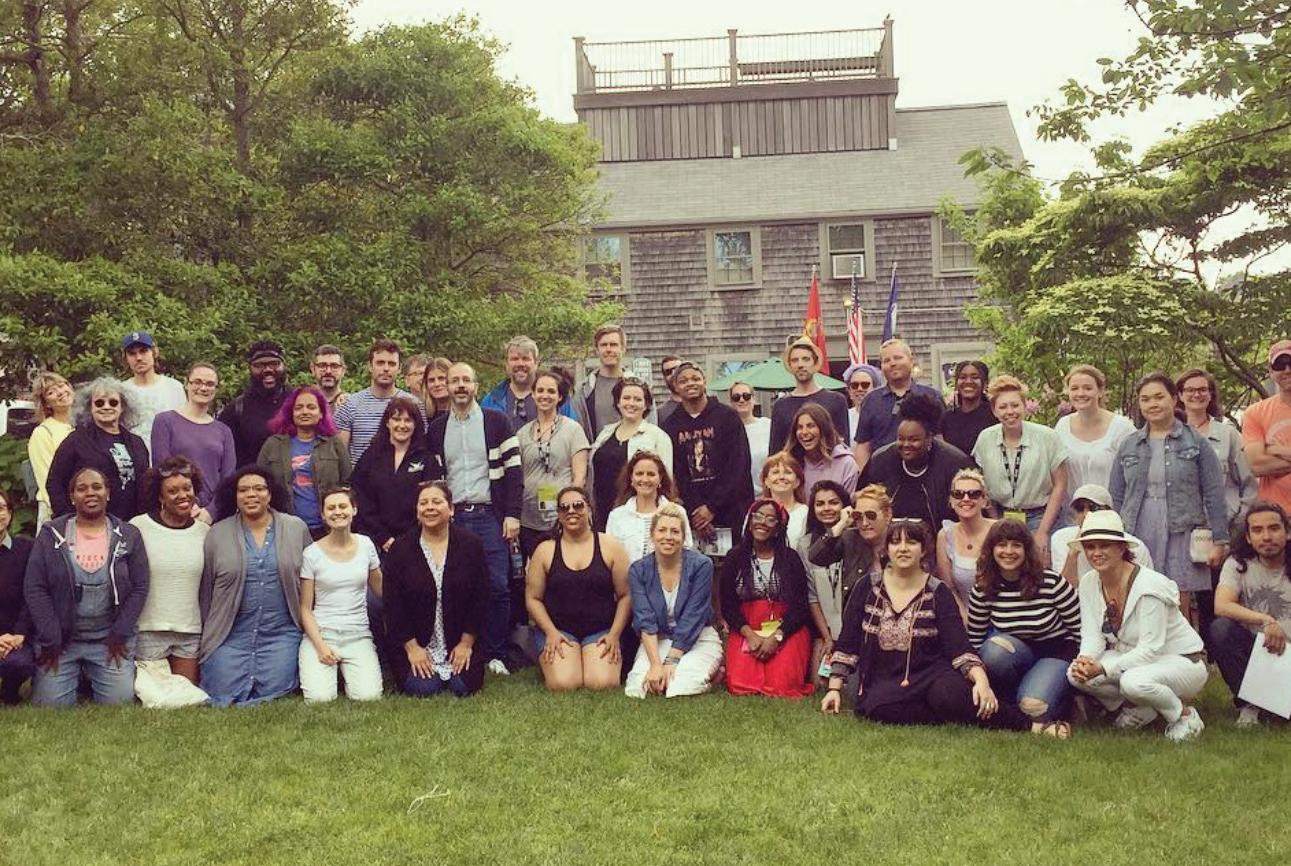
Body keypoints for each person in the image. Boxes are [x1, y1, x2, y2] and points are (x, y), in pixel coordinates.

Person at [821, 519, 1050, 734]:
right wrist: (834, 689)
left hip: (930, 674)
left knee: (950, 696)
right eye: (896, 542)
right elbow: (848, 642)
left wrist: (981, 681)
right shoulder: (867, 587)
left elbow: (958, 646)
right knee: (878, 708)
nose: (903, 548)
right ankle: (950, 712)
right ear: (886, 549)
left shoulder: (938, 591)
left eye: (911, 542)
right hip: (883, 679)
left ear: (923, 550)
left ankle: (1029, 725)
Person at [1067, 510, 1208, 741]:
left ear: (1121, 548)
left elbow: (1150, 649)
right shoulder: (1089, 582)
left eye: (1104, 545)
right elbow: (1092, 635)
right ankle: (1141, 709)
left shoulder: (1150, 586)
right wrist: (1085, 661)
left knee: (1133, 682)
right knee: (1075, 675)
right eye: (1090, 547)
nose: (1096, 553)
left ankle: (1184, 716)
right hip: (1134, 658)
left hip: (1182, 661)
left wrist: (1103, 668)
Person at [425, 362, 521, 674]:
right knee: (454, 586)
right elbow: (435, 477)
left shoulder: (497, 422)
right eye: (455, 381)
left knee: (498, 585)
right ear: (447, 387)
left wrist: (512, 515)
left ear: (476, 386)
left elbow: (514, 472)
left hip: (489, 515)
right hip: (451, 519)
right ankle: (459, 649)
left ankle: (495, 654)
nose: (461, 386)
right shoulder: (437, 429)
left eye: (466, 380)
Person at [1111, 372, 1229, 624]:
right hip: (1138, 527)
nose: (1152, 404)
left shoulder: (1196, 442)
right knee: (1139, 590)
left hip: (1181, 527)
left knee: (1178, 595)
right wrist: (1114, 536)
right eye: (1145, 399)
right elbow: (1117, 495)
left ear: (1174, 399)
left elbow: (1214, 493)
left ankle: (1181, 645)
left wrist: (1220, 540)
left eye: (1159, 397)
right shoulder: (1129, 444)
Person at [25, 467, 149, 706]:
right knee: (50, 706)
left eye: (97, 487)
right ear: (72, 497)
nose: (90, 493)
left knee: (117, 703)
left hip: (109, 639)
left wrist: (120, 632)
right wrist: (51, 637)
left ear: (108, 493)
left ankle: (91, 675)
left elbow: (140, 587)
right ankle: (75, 675)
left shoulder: (129, 535)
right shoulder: (51, 535)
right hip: (62, 641)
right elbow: (35, 587)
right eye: (81, 489)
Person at [198, 466, 309, 707]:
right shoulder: (217, 534)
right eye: (243, 490)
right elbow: (206, 590)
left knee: (279, 686)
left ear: (270, 494)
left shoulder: (295, 528)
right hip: (230, 634)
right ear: (234, 496)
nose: (251, 494)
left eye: (259, 488)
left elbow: (310, 582)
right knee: (220, 686)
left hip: (281, 633)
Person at [966, 520, 1081, 735]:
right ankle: (1013, 694)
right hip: (1014, 653)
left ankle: (1065, 698)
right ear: (991, 550)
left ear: (1026, 550)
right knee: (994, 651)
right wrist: (977, 680)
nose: (1008, 551)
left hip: (1056, 653)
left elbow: (1080, 628)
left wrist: (1083, 671)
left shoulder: (1051, 582)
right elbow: (975, 638)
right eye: (1002, 544)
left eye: (1016, 545)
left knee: (1033, 707)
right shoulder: (983, 588)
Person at [382, 481, 488, 697]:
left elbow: (481, 598)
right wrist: (412, 648)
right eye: (423, 503)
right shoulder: (400, 549)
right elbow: (393, 606)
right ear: (417, 511)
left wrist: (466, 643)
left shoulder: (471, 545)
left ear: (451, 509)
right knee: (424, 688)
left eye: (436, 502)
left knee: (462, 686)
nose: (429, 507)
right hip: (415, 643)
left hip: (459, 640)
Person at [525, 487, 631, 691]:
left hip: (601, 630)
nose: (571, 511)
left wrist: (614, 634)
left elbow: (626, 595)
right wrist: (550, 632)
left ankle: (587, 659)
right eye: (564, 507)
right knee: (564, 683)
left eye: (578, 505)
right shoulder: (545, 550)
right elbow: (533, 598)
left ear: (589, 509)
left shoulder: (611, 546)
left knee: (602, 683)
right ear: (558, 514)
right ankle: (567, 659)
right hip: (559, 630)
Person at [624, 503, 723, 698]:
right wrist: (655, 665)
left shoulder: (701, 565)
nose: (668, 537)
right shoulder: (638, 570)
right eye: (662, 530)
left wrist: (671, 660)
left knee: (678, 687)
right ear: (652, 535)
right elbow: (645, 619)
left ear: (684, 537)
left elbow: (693, 616)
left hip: (697, 637)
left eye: (675, 531)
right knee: (638, 688)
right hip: (658, 639)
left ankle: (713, 677)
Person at [719, 499, 814, 698]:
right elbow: (728, 606)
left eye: (771, 519)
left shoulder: (791, 559)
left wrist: (777, 636)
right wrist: (749, 634)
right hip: (746, 628)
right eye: (758, 516)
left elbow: (800, 608)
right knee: (740, 685)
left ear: (778, 528)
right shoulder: (735, 557)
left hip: (786, 629)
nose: (762, 522)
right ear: (749, 522)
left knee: (783, 685)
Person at [297, 487, 383, 702]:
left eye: (343, 506)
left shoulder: (366, 545)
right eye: (331, 508)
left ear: (354, 510)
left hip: (358, 635)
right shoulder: (311, 553)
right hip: (322, 634)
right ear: (323, 515)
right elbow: (305, 609)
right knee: (319, 699)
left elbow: (382, 591)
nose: (337, 512)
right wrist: (320, 647)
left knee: (368, 697)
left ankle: (350, 674)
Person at [129, 458, 209, 685]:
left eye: (187, 488)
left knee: (186, 696)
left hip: (190, 629)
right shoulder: (138, 527)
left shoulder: (205, 532)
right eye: (172, 491)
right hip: (149, 629)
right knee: (155, 697)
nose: (182, 495)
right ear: (160, 497)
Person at [1211, 502, 1291, 727]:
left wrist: (1281, 632)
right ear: (1248, 537)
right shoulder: (1237, 564)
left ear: (1287, 532)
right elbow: (1222, 605)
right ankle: (1249, 704)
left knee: (1282, 715)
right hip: (1255, 651)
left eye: (1274, 528)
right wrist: (1266, 621)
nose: (1266, 537)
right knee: (1221, 629)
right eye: (1257, 530)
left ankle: (1275, 703)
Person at [973, 375, 1069, 559]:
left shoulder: (1047, 437)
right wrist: (994, 522)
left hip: (1040, 517)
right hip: (1001, 516)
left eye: (1015, 405)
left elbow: (1060, 485)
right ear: (994, 410)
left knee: (1039, 566)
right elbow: (983, 484)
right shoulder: (985, 439)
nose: (1010, 411)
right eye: (1003, 407)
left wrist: (1042, 532)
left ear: (1024, 405)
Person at [662, 362, 753, 547]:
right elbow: (678, 473)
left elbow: (738, 465)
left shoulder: (727, 417)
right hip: (694, 516)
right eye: (683, 381)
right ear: (675, 387)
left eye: (695, 378)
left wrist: (712, 507)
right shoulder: (670, 425)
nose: (690, 383)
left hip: (731, 509)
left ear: (704, 381)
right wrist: (697, 511)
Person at [860, 392, 973, 531]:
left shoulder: (955, 463)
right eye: (901, 438)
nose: (906, 444)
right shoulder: (880, 460)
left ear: (929, 438)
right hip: (890, 538)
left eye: (914, 439)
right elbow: (862, 499)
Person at [257, 386, 352, 540]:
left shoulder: (334, 443)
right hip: (285, 529)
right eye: (299, 408)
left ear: (321, 413)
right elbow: (259, 484)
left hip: (327, 528)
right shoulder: (273, 444)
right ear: (291, 413)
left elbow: (347, 482)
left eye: (311, 407)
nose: (305, 412)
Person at [48, 378, 150, 521]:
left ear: (122, 407)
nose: (106, 407)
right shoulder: (76, 440)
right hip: (90, 523)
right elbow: (55, 482)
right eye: (99, 403)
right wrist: (69, 519)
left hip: (132, 523)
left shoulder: (136, 443)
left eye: (113, 402)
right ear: (90, 408)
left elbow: (146, 484)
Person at [151, 361, 236, 523]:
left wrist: (211, 511)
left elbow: (228, 478)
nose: (203, 388)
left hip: (212, 516)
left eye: (210, 384)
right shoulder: (165, 421)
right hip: (176, 509)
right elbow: (162, 468)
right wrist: (188, 505)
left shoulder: (224, 431)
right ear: (186, 384)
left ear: (216, 389)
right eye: (197, 382)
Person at [516, 370, 590, 557]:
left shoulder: (573, 430)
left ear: (559, 397)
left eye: (551, 391)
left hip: (563, 516)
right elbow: (517, 475)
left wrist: (570, 508)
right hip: (529, 518)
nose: (545, 396)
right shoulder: (522, 434)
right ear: (533, 394)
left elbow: (580, 476)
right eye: (540, 390)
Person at [588, 377, 672, 532]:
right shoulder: (605, 434)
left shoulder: (657, 437)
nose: (631, 403)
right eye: (626, 398)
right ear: (618, 402)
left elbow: (667, 481)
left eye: (637, 399)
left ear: (646, 405)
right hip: (601, 511)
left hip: (637, 515)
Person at [351, 397, 431, 555]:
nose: (402, 425)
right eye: (396, 419)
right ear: (387, 423)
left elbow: (430, 499)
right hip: (375, 542)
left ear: (415, 424)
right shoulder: (370, 456)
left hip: (416, 543)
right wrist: (383, 538)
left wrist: (408, 540)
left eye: (408, 420)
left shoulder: (426, 458)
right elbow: (360, 498)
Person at [1053, 365, 1135, 515]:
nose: (1080, 393)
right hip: (1073, 516)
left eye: (1087, 388)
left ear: (1100, 391)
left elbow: (1134, 478)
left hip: (1112, 516)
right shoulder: (1062, 426)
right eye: (1074, 388)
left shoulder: (1122, 427)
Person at [852, 339, 942, 472]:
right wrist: (864, 477)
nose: (892, 363)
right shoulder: (871, 400)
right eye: (886, 360)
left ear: (911, 360)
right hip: (883, 474)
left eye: (898, 358)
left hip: (925, 473)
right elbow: (863, 446)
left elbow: (940, 439)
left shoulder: (931, 396)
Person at [807, 483, 892, 616]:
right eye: (858, 516)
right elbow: (816, 557)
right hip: (857, 617)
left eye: (871, 515)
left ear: (887, 514)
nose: (864, 523)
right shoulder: (850, 538)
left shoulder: (902, 539)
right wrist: (841, 524)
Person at [334, 338, 422, 465]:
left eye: (391, 364)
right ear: (370, 366)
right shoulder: (349, 405)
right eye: (380, 363)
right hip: (361, 476)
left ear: (399, 368)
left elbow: (420, 447)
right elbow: (340, 456)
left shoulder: (414, 404)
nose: (386, 368)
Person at [1050, 484, 1153, 584]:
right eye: (1080, 508)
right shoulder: (1061, 538)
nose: (1086, 514)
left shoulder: (1137, 548)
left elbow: (1146, 586)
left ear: (1109, 511)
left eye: (1093, 508)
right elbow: (1064, 590)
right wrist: (1073, 553)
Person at [800, 480, 851, 684]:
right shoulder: (805, 545)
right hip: (825, 628)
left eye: (833, 502)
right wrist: (827, 638)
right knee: (820, 682)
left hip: (853, 628)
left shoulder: (856, 539)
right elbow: (812, 596)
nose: (827, 508)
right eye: (820, 504)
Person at [605, 450, 693, 564]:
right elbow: (609, 557)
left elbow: (687, 553)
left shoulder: (678, 512)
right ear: (631, 478)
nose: (645, 479)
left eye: (651, 474)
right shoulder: (616, 516)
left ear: (660, 478)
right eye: (639, 474)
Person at [768, 337, 850, 454]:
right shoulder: (780, 406)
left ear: (815, 362)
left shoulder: (836, 400)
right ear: (790, 365)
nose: (800, 365)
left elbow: (843, 446)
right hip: (792, 465)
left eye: (806, 359)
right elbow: (775, 450)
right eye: (795, 360)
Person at [481, 336, 578, 430]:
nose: (520, 364)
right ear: (506, 364)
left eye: (525, 359)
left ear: (536, 363)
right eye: (515, 359)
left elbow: (572, 432)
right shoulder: (491, 401)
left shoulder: (556, 398)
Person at [577, 322, 654, 439]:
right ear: (597, 350)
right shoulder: (585, 390)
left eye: (613, 345)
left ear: (623, 349)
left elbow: (651, 426)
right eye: (604, 345)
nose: (608, 349)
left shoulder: (641, 387)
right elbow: (580, 432)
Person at [936, 468, 998, 612]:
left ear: (984, 500)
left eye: (974, 494)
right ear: (951, 501)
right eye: (958, 494)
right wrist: (964, 618)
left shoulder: (999, 530)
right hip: (964, 614)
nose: (965, 499)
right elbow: (949, 588)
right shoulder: (945, 535)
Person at [218, 340, 289, 467]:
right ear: (249, 369)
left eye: (274, 364)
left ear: (284, 366)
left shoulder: (299, 403)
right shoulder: (236, 409)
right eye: (259, 365)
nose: (268, 370)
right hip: (252, 477)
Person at [1242, 339, 1291, 514]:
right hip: (1276, 515)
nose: (1287, 370)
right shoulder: (1255, 413)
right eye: (1280, 365)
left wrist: (1274, 449)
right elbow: (1256, 465)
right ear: (1271, 372)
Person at [119, 331, 185, 454]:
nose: (138, 358)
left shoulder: (174, 387)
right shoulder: (121, 391)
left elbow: (183, 428)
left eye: (143, 351)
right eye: (132, 354)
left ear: (154, 352)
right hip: (134, 458)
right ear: (126, 358)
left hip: (169, 458)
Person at [27, 371, 75, 527]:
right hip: (57, 513)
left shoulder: (85, 425)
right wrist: (66, 515)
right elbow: (47, 480)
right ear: (46, 403)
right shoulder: (43, 433)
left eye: (61, 385)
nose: (60, 392)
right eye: (51, 392)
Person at [0, 490, 35, 704]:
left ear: (10, 513)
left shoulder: (26, 549)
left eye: (1, 508)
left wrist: (19, 633)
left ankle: (9, 692)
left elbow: (31, 594)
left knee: (19, 663)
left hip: (15, 637)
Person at [787, 403, 859, 497]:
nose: (804, 432)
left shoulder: (846, 464)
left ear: (824, 428)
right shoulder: (790, 463)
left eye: (810, 426)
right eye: (800, 427)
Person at [941, 360, 996, 458]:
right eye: (962, 377)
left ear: (985, 383)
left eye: (975, 377)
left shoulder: (995, 415)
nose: (968, 381)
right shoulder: (947, 418)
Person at [759, 452, 808, 548]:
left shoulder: (806, 514)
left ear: (797, 482)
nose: (781, 477)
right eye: (775, 472)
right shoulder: (756, 512)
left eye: (788, 472)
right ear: (766, 481)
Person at [730, 381, 771, 493]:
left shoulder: (768, 425)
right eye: (736, 397)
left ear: (754, 399)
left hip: (767, 493)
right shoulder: (727, 430)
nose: (742, 400)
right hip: (738, 495)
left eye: (746, 396)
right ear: (731, 402)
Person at [841, 362, 883, 444]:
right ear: (849, 391)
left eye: (865, 385)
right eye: (854, 385)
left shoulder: (884, 415)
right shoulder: (844, 416)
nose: (859, 389)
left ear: (875, 389)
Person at [310, 345, 349, 412]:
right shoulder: (301, 403)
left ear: (343, 371)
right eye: (322, 365)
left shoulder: (351, 405)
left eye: (334, 366)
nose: (328, 371)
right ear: (313, 369)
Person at [655, 355, 685, 426]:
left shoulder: (703, 405)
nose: (673, 374)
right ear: (664, 377)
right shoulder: (660, 414)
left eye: (677, 370)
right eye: (668, 372)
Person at [421, 357, 452, 421]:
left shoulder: (464, 414)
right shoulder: (421, 416)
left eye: (441, 378)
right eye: (431, 380)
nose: (436, 384)